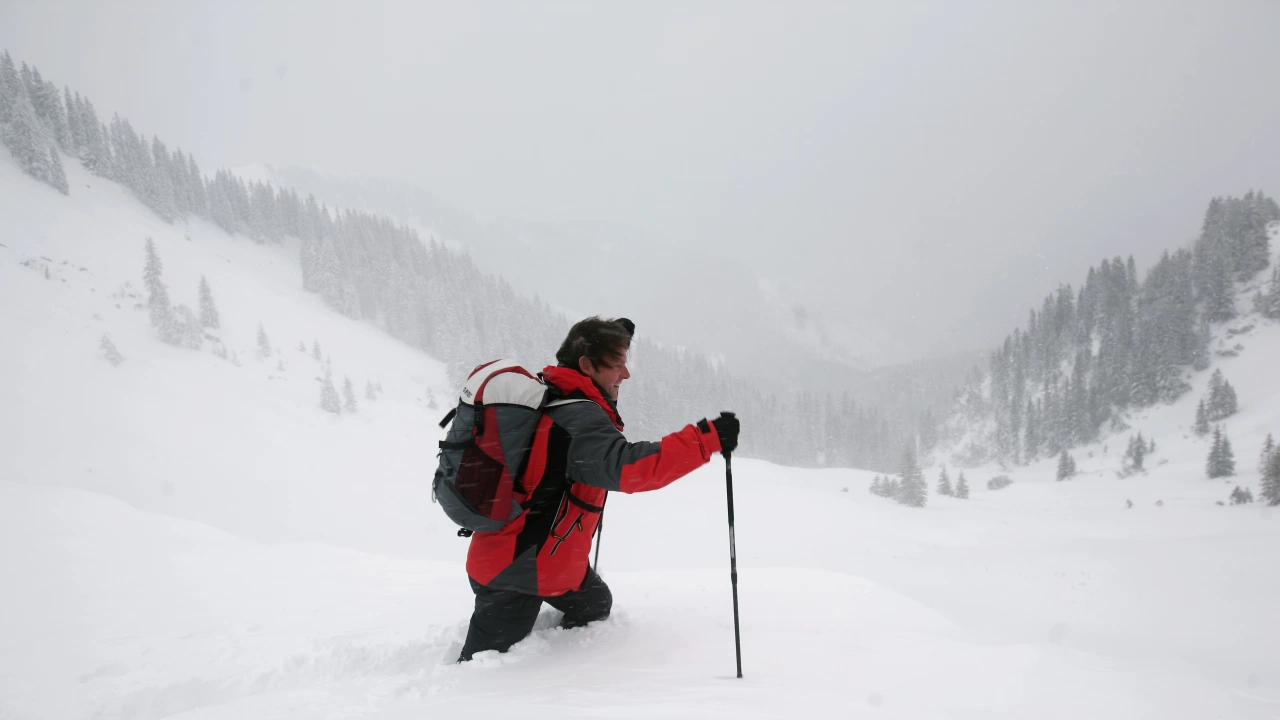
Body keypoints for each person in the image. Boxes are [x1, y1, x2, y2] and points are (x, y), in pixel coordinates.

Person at [458, 316, 739, 661]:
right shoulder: (576, 418)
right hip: (514, 574)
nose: (626, 374)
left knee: (595, 604)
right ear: (587, 365)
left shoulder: (556, 393)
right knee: (482, 669)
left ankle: (559, 648)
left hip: (544, 564)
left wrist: (614, 337)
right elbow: (630, 468)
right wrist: (705, 439)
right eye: (617, 364)